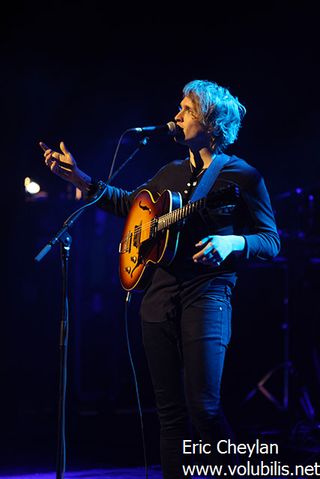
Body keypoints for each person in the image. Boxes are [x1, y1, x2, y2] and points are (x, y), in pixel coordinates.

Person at [40, 79, 280, 478]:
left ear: (211, 120)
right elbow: (127, 206)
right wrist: (79, 178)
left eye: (186, 109)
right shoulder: (167, 173)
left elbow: (271, 240)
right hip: (159, 295)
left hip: (208, 294)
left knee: (204, 408)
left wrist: (233, 242)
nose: (177, 115)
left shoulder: (243, 176)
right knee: (169, 417)